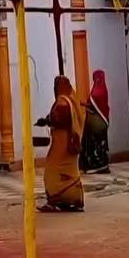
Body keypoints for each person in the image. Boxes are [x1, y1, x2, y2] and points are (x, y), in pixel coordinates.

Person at [36, 75, 84, 212]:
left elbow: (60, 118)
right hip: (69, 144)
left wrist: (49, 121)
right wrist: (46, 120)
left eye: (56, 86)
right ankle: (72, 200)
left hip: (62, 145)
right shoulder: (72, 101)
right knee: (69, 171)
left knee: (52, 172)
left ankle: (54, 201)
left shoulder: (63, 102)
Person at [80, 69, 111, 174]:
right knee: (94, 145)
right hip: (93, 124)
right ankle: (94, 165)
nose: (96, 79)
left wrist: (86, 105)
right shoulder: (95, 88)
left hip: (99, 123)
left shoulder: (101, 90)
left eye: (98, 77)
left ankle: (101, 165)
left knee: (99, 144)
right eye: (95, 77)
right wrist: (85, 104)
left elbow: (96, 104)